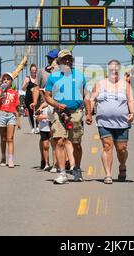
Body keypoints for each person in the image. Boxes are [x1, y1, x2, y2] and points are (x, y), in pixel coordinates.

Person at [87, 60, 134, 184]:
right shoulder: (100, 84)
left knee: (121, 148)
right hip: (104, 122)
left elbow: (130, 100)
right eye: (111, 70)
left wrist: (132, 113)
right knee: (107, 146)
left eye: (116, 70)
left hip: (122, 122)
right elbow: (92, 100)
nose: (114, 72)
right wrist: (89, 113)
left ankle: (122, 165)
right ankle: (108, 174)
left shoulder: (125, 85)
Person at [45, 49, 89, 184]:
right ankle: (63, 173)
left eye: (69, 58)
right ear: (59, 62)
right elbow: (47, 96)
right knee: (59, 141)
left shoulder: (80, 76)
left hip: (76, 113)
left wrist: (89, 113)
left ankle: (76, 168)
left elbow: (86, 96)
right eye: (64, 59)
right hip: (59, 113)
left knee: (76, 144)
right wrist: (57, 105)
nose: (68, 61)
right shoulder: (53, 77)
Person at [0, 72, 21, 168]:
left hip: (11, 115)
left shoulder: (14, 93)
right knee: (3, 138)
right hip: (2, 114)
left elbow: (16, 107)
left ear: (11, 81)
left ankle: (10, 159)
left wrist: (18, 120)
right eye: (4, 79)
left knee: (10, 138)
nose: (6, 80)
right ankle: (3, 157)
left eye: (8, 79)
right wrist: (1, 91)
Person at [35, 102, 54, 171]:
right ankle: (46, 163)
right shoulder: (41, 106)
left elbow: (55, 116)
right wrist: (38, 117)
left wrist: (45, 117)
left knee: (54, 146)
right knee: (45, 146)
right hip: (43, 128)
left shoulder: (53, 104)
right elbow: (37, 117)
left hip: (52, 128)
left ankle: (55, 164)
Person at [23, 64, 39, 134]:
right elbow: (23, 89)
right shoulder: (27, 78)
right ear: (30, 71)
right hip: (29, 97)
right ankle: (33, 127)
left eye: (35, 71)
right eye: (32, 71)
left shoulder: (38, 78)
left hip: (36, 97)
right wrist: (26, 84)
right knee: (31, 112)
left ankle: (38, 127)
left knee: (37, 111)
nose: (34, 72)